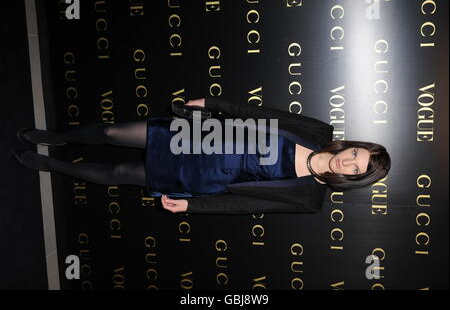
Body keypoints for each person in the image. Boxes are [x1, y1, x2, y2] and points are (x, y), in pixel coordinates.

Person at [10, 97, 391, 215]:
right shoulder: (319, 131)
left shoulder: (309, 199)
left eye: (356, 170)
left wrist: (192, 209)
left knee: (123, 170)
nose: (348, 162)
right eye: (355, 154)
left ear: (354, 179)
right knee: (112, 132)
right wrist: (214, 103)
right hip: (202, 135)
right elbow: (263, 115)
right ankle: (56, 137)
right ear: (350, 145)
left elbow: (240, 206)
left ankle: (53, 165)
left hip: (203, 179)